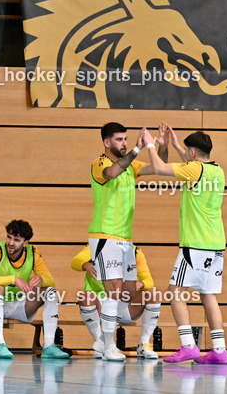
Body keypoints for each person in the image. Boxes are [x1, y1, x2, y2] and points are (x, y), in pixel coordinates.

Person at [138, 125, 227, 365]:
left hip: (195, 244)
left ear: (193, 154)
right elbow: (192, 167)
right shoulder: (217, 171)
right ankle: (220, 350)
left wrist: (150, 144)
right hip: (216, 244)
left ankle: (189, 346)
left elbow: (158, 167)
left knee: (174, 293)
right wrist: (178, 146)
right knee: (208, 296)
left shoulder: (195, 169)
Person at [87, 122, 156, 361]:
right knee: (113, 291)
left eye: (126, 139)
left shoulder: (132, 165)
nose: (124, 143)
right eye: (119, 140)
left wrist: (159, 146)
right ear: (107, 142)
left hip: (126, 238)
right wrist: (137, 149)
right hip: (105, 235)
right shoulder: (101, 163)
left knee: (124, 292)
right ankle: (108, 346)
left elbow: (156, 167)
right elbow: (113, 172)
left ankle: (104, 343)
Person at [0, 219, 68, 360]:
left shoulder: (33, 253)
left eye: (17, 240)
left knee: (50, 291)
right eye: (9, 237)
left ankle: (49, 346)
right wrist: (13, 279)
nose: (11, 243)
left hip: (18, 305)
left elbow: (51, 280)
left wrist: (42, 280)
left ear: (26, 242)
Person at [72, 243, 161, 359]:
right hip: (100, 301)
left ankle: (144, 344)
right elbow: (75, 262)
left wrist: (140, 284)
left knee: (153, 295)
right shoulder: (98, 245)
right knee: (85, 297)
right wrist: (85, 265)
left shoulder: (135, 252)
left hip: (123, 303)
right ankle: (103, 344)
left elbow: (148, 280)